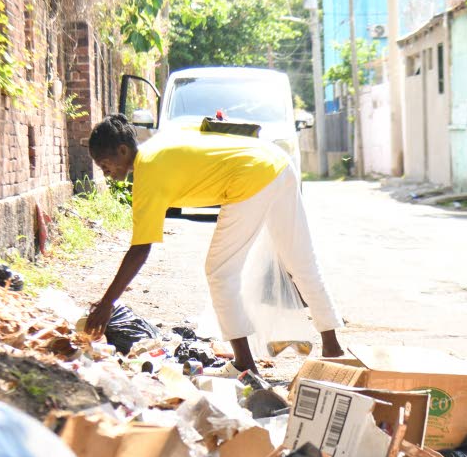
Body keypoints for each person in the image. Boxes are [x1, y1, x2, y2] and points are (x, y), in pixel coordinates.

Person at [84, 114, 344, 373]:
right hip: (278, 162)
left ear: (122, 150)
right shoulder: (162, 142)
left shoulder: (147, 170)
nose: (106, 173)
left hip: (251, 177)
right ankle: (333, 348)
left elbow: (141, 247)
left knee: (220, 272)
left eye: (105, 164)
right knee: (301, 261)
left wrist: (107, 304)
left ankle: (244, 363)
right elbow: (213, 127)